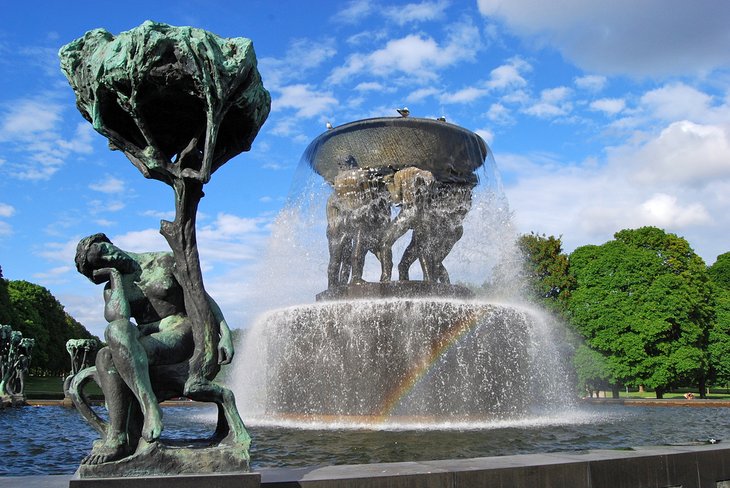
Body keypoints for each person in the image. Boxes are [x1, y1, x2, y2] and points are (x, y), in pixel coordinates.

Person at [74, 233, 235, 464]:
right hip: (146, 338)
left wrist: (225, 332)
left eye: (103, 249)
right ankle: (121, 437)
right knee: (106, 353)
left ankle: (146, 410)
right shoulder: (113, 286)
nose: (110, 256)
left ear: (108, 241)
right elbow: (118, 318)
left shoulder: (163, 261)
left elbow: (202, 297)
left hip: (180, 331)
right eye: (102, 262)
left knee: (117, 349)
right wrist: (115, 276)